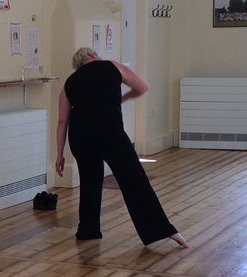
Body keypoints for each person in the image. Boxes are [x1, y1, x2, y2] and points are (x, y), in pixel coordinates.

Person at [54, 48, 187, 248]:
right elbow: (142, 87)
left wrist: (59, 155)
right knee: (133, 179)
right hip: (110, 132)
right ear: (92, 55)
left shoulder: (69, 83)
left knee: (90, 181)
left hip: (80, 135)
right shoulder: (112, 66)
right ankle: (162, 230)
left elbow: (62, 121)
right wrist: (122, 99)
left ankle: (88, 230)